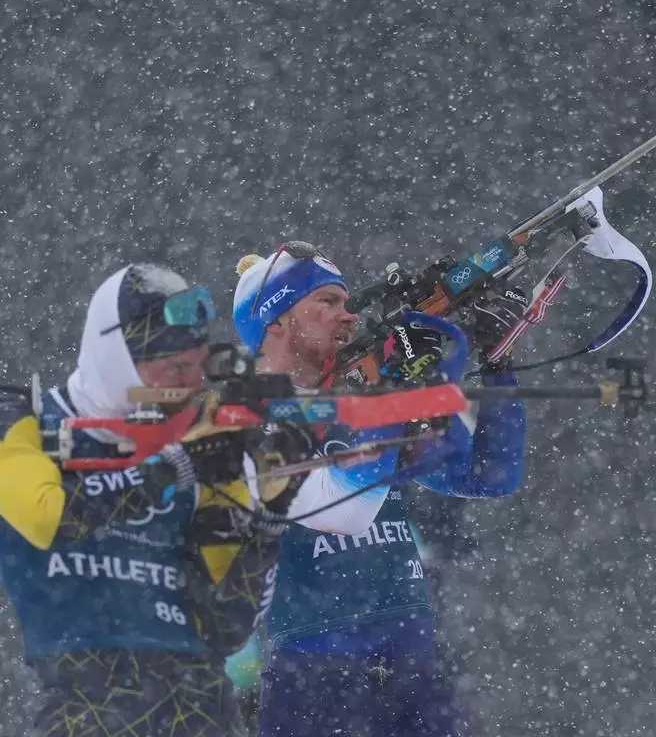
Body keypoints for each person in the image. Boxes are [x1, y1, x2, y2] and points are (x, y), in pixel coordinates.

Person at [231, 242, 529, 737]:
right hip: (316, 687)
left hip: (417, 672)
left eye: (348, 303)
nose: (347, 317)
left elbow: (489, 474)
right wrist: (392, 384)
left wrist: (499, 362)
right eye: (326, 302)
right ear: (275, 323)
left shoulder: (358, 395)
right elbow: (346, 506)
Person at [0, 263, 297, 736]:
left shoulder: (204, 438)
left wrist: (272, 513)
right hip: (87, 714)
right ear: (117, 359)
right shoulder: (25, 421)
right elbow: (48, 519)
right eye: (175, 368)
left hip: (202, 713)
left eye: (197, 368)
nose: (192, 385)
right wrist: (173, 466)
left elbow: (227, 627)